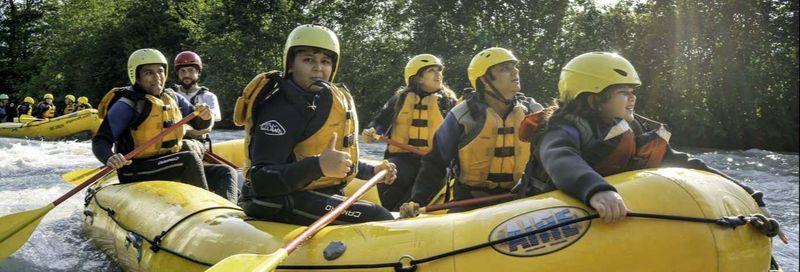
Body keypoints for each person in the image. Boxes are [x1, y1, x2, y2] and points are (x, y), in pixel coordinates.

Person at [520, 52, 766, 223]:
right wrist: (597, 190)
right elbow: (560, 158)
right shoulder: (561, 129)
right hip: (544, 211)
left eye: (633, 92)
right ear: (593, 98)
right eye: (623, 92)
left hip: (601, 211)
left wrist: (749, 194)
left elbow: (686, 163)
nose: (633, 98)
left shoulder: (628, 128)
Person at [234, 24, 397, 226]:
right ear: (291, 64)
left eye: (325, 61)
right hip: (272, 199)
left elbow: (334, 157)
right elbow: (261, 179)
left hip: (312, 194)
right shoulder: (280, 109)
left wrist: (371, 172)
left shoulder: (324, 102)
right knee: (376, 216)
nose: (318, 68)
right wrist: (318, 166)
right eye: (308, 60)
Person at [398, 47, 543, 217]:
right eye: (505, 69)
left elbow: (550, 155)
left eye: (514, 66)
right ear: (484, 81)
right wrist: (418, 200)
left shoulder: (533, 112)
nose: (515, 72)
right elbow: (435, 162)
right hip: (470, 200)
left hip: (516, 197)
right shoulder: (462, 115)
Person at [91, 48, 238, 203]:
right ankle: (206, 207)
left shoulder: (172, 97)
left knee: (225, 172)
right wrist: (110, 157)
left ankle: (228, 215)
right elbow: (100, 141)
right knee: (188, 158)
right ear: (136, 75)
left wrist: (205, 116)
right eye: (149, 73)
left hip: (169, 163)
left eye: (160, 71)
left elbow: (198, 124)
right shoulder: (127, 105)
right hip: (135, 169)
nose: (157, 78)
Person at [361, 54, 458, 211]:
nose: (438, 74)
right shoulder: (400, 99)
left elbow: (458, 132)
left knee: (429, 180)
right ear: (418, 78)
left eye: (439, 70)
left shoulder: (448, 101)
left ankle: (413, 209)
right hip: (403, 157)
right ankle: (390, 212)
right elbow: (380, 121)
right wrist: (372, 131)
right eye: (431, 71)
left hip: (433, 161)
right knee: (398, 176)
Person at [172, 51, 222, 141]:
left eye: (191, 70)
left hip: (197, 142)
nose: (186, 75)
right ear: (177, 74)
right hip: (173, 141)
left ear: (198, 72)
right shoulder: (170, 95)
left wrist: (184, 129)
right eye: (182, 71)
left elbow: (208, 128)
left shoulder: (209, 97)